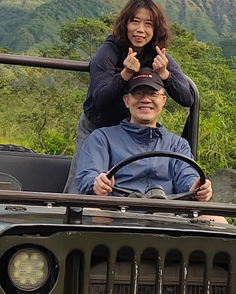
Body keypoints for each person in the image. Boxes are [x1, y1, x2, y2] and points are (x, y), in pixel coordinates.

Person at [63, 0, 194, 193]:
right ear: (125, 24)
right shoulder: (110, 51)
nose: (140, 29)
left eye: (148, 24)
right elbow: (99, 97)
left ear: (156, 29)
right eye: (135, 21)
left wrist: (165, 74)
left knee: (131, 182)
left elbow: (187, 98)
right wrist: (125, 74)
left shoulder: (158, 54)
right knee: (83, 185)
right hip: (97, 124)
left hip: (131, 131)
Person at [75, 68, 212, 202]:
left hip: (168, 216)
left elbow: (188, 177)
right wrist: (97, 184)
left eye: (153, 94)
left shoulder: (178, 145)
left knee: (216, 221)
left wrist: (196, 188)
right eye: (138, 93)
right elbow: (89, 176)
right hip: (115, 214)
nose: (145, 99)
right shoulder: (102, 138)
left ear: (163, 100)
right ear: (126, 100)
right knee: (92, 212)